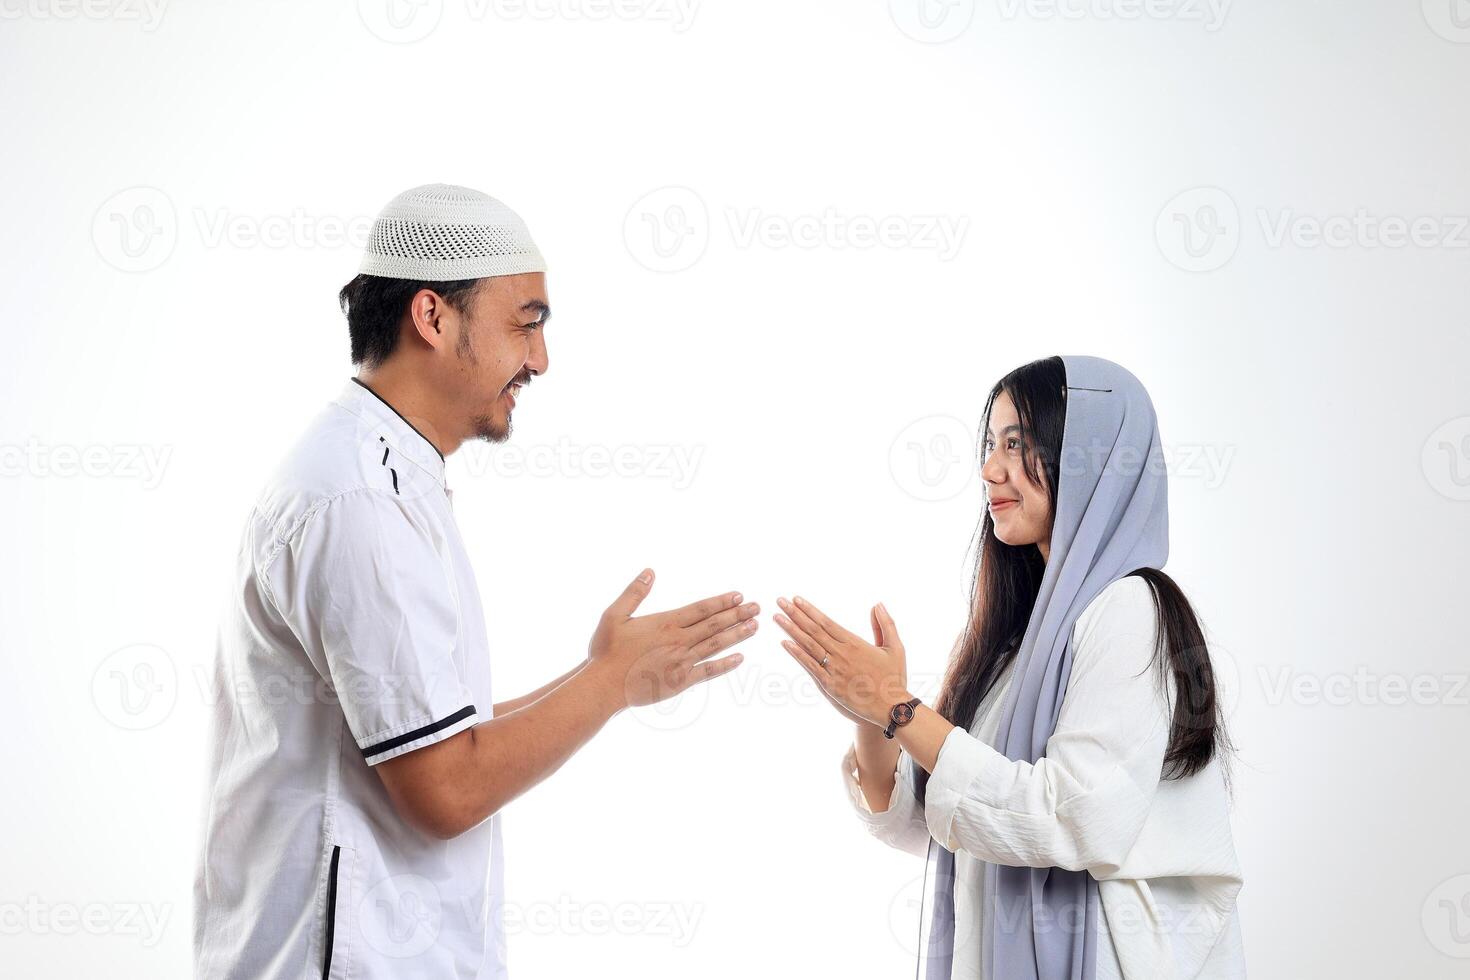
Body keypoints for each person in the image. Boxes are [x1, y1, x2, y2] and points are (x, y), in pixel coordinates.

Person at [193, 183, 759, 979]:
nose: (541, 359)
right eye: (526, 323)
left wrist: (607, 676)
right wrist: (608, 681)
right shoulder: (360, 498)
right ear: (432, 316)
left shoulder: (385, 473)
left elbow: (435, 735)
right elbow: (446, 790)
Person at [774, 356, 1245, 978]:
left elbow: (1076, 817)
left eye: (1018, 443)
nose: (990, 469)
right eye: (990, 444)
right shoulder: (1011, 648)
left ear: (1094, 456)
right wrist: (874, 715)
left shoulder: (1131, 608)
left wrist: (895, 704)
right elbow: (928, 821)